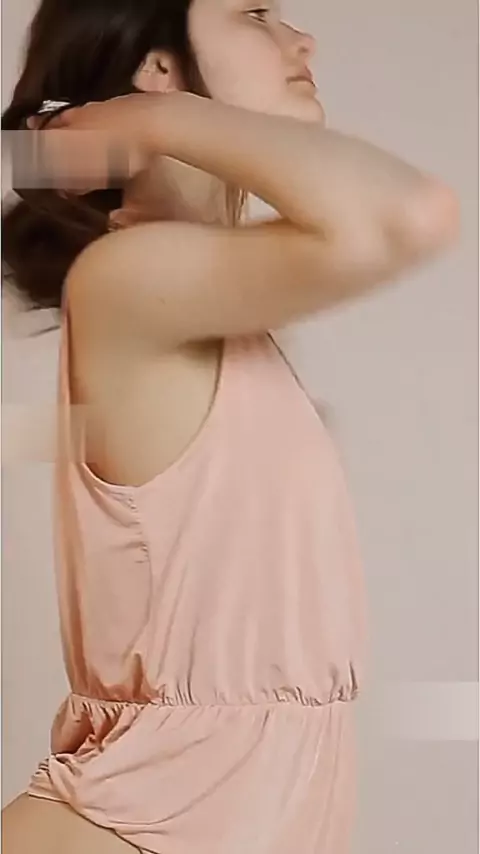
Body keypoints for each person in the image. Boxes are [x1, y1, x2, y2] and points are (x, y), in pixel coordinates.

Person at [1, 0, 459, 852]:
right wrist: (155, 121)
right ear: (158, 67)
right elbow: (408, 215)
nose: (301, 38)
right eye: (255, 13)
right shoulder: (128, 277)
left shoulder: (210, 305)